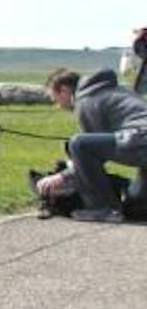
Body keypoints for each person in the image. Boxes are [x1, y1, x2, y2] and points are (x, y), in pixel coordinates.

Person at [44, 63, 147, 223]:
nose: (57, 106)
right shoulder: (116, 91)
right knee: (135, 209)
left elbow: (89, 153)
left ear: (63, 90)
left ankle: (103, 209)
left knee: (78, 143)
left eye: (55, 99)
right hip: (140, 143)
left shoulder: (86, 101)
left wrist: (62, 176)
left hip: (140, 140)